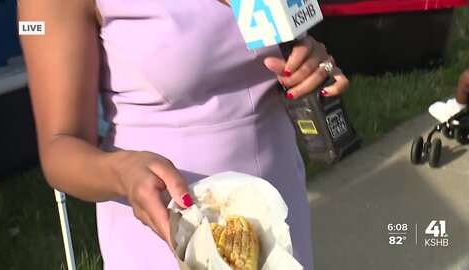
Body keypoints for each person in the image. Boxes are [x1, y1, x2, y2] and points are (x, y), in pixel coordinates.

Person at [18, 0, 349, 269]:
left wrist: (311, 65)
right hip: (168, 231)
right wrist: (122, 174)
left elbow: (287, 40)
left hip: (276, 219)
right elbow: (59, 146)